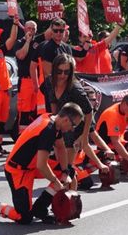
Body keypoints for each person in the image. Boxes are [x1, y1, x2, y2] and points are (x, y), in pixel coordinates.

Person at [0, 104, 83, 225]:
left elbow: (60, 148)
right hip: (18, 171)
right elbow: (42, 165)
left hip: (31, 165)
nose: (72, 129)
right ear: (66, 119)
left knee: (68, 171)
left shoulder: (52, 121)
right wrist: (57, 183)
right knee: (24, 217)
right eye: (73, 125)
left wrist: (65, 172)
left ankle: (40, 208)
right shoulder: (48, 130)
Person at [41, 54, 109, 187]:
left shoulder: (75, 89)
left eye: (66, 72)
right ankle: (67, 190)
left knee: (67, 168)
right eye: (59, 71)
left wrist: (83, 137)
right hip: (62, 123)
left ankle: (71, 196)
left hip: (77, 125)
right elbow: (53, 103)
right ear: (54, 70)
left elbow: (89, 112)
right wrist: (54, 128)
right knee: (62, 166)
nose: (62, 75)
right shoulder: (49, 82)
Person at [95, 93, 128, 174]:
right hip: (107, 144)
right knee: (112, 170)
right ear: (125, 104)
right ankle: (122, 160)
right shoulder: (113, 114)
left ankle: (125, 158)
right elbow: (115, 142)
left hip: (119, 138)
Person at [14, 19, 44, 127]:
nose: (31, 31)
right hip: (25, 81)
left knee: (36, 111)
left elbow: (50, 32)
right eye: (29, 28)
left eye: (33, 29)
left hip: (37, 80)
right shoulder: (19, 42)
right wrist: (27, 41)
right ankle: (22, 136)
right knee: (24, 111)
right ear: (24, 29)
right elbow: (21, 55)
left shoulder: (38, 41)